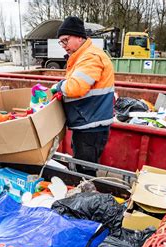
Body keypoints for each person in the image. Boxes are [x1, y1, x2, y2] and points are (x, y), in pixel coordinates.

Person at [51, 16, 115, 176]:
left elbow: (75, 87)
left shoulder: (90, 57)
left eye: (65, 40)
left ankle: (88, 198)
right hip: (86, 122)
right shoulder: (82, 56)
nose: (63, 46)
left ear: (79, 37)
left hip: (91, 126)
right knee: (82, 166)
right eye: (61, 42)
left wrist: (57, 87)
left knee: (85, 172)